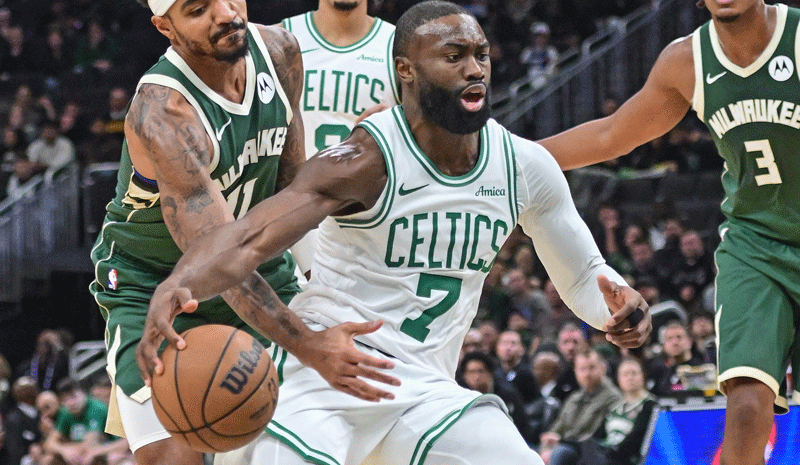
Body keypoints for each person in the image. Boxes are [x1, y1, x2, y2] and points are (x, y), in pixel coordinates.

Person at [145, 3, 651, 464]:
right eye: (454, 57)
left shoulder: (525, 166)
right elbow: (249, 240)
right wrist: (178, 284)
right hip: (325, 373)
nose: (474, 70)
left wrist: (616, 307)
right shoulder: (364, 161)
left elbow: (584, 273)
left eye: (481, 55)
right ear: (405, 71)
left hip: (427, 389)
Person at [89, 1, 400, 464]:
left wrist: (326, 276)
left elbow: (295, 188)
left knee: (331, 421)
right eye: (198, 9)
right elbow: (218, 259)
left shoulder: (279, 50)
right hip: (157, 287)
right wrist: (307, 343)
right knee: (177, 452)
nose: (225, 13)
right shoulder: (163, 113)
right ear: (165, 28)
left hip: (259, 265)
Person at [539, 2, 800, 461]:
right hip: (756, 246)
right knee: (744, 406)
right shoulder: (687, 60)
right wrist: (509, 156)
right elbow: (612, 135)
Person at [281, 0, 400, 273]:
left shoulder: (400, 47)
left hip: (366, 232)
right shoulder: (279, 40)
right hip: (288, 226)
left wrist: (398, 129)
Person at [539, 349, 622, 465]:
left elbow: (594, 436)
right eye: (582, 369)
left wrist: (560, 442)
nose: (587, 374)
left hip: (586, 451)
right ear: (576, 372)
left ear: (603, 368)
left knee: (560, 453)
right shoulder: (574, 397)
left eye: (592, 368)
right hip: (563, 445)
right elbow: (557, 428)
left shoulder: (613, 397)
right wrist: (546, 447)